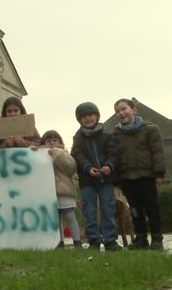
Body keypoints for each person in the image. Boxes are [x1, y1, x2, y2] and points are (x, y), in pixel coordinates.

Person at [112, 98, 166, 250]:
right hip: (127, 178)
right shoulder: (116, 134)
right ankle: (141, 237)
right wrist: (115, 180)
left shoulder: (150, 129)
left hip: (146, 176)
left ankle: (157, 238)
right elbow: (114, 157)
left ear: (133, 110)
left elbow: (157, 152)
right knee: (135, 209)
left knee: (152, 208)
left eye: (124, 109)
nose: (121, 113)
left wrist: (159, 173)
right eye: (117, 111)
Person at [70, 102, 121, 251]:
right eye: (83, 116)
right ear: (79, 120)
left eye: (90, 115)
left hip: (106, 179)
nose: (88, 118)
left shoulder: (107, 134)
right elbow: (77, 155)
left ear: (97, 116)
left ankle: (110, 239)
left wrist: (109, 165)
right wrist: (87, 168)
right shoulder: (77, 137)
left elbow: (113, 153)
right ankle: (93, 240)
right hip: (87, 180)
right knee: (89, 210)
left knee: (108, 208)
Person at [39, 130, 82, 249]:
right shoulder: (41, 155)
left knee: (70, 217)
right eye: (48, 141)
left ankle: (77, 241)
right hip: (49, 192)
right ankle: (59, 242)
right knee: (56, 219)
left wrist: (57, 154)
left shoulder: (64, 153)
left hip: (64, 191)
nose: (51, 143)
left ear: (60, 142)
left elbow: (70, 168)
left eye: (54, 140)